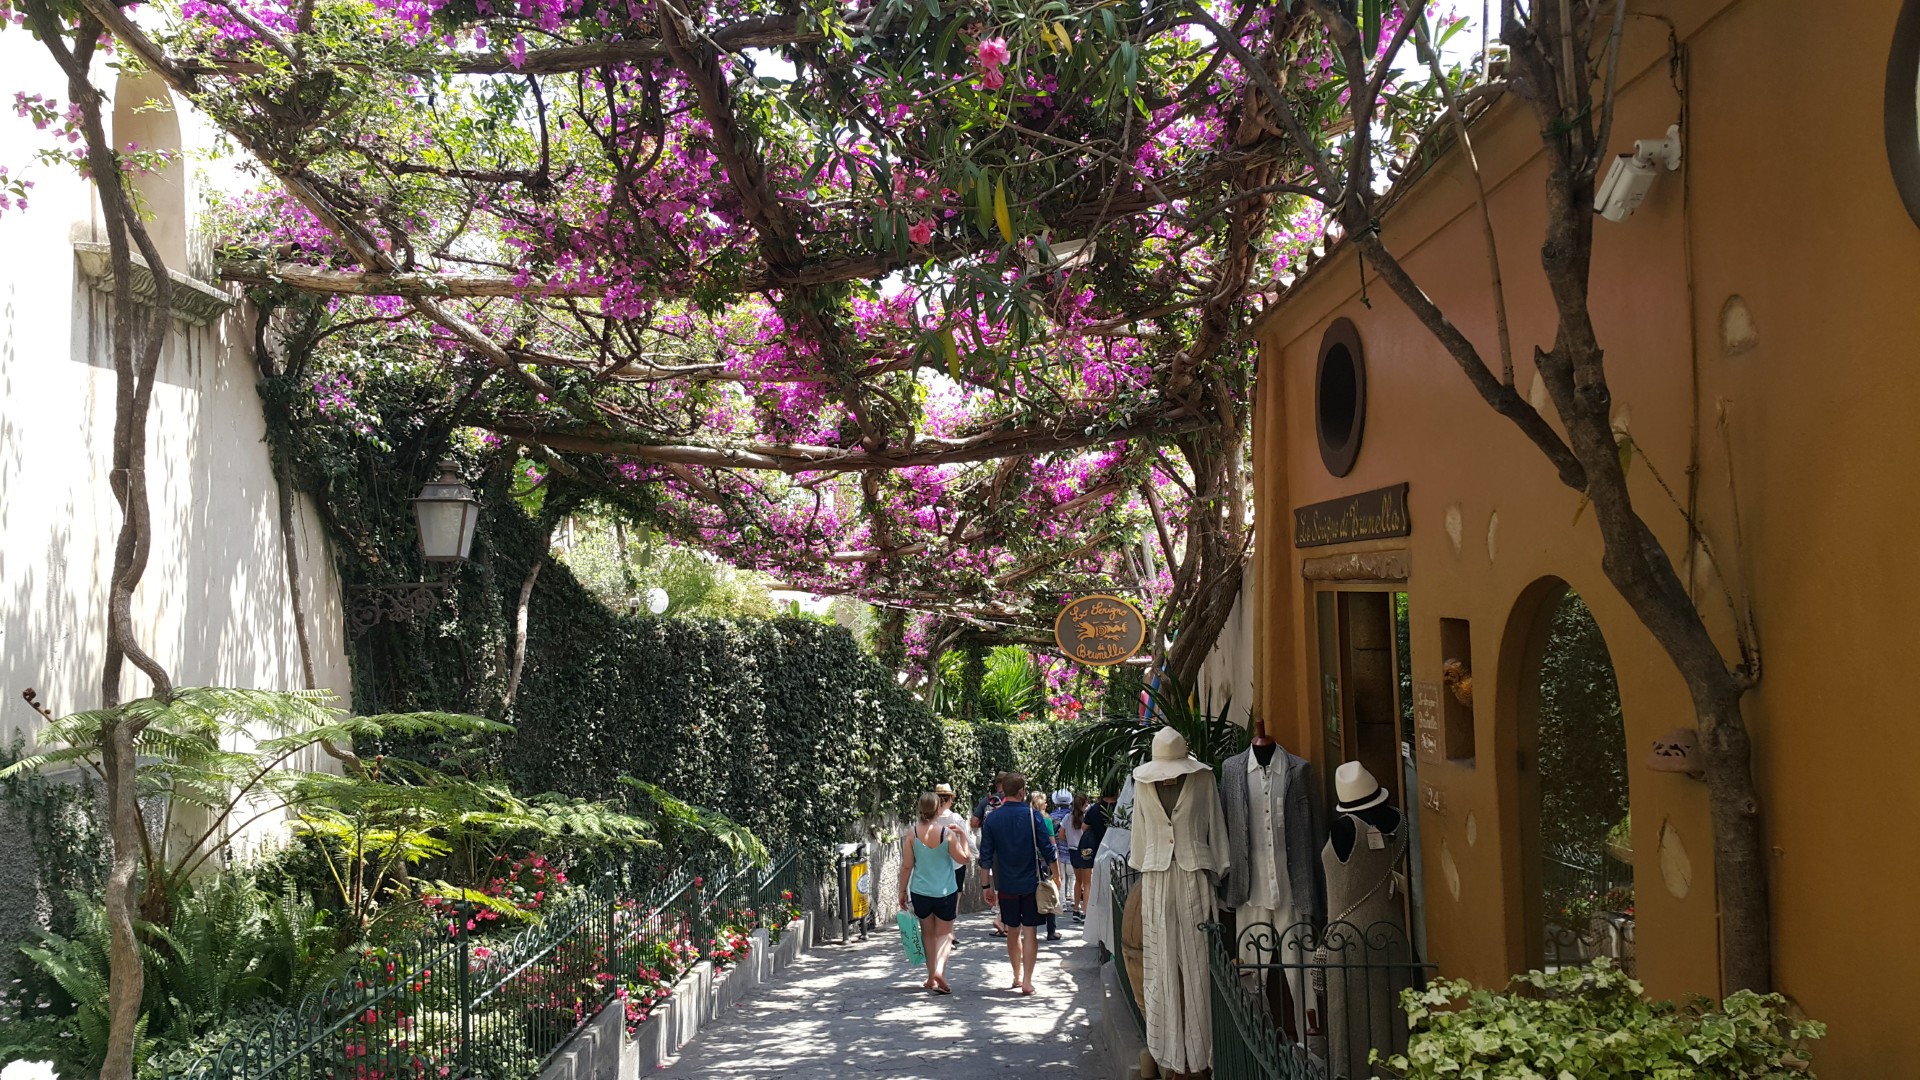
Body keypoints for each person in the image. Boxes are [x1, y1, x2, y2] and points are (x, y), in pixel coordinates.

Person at [978, 772, 1056, 995]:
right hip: (1031, 884)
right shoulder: (1034, 816)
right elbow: (1048, 850)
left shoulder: (992, 818)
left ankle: (1016, 975)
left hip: (1006, 885)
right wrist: (1057, 877)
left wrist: (986, 887)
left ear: (1004, 790)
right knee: (1030, 932)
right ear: (1022, 792)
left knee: (1013, 930)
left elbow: (985, 856)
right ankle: (1028, 981)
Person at [898, 791, 969, 994]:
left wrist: (902, 891)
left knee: (927, 934)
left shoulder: (912, 833)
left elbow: (906, 866)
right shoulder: (946, 833)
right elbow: (964, 858)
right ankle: (939, 971)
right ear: (938, 808)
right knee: (945, 934)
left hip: (920, 891)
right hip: (945, 891)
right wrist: (962, 836)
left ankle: (931, 978)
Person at [971, 773, 1011, 938]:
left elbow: (973, 823)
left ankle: (1003, 918)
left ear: (996, 784)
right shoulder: (1012, 799)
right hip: (1008, 847)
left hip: (990, 847)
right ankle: (1004, 920)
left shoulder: (987, 800)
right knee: (1008, 885)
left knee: (998, 884)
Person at [1032, 791, 1065, 941]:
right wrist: (1056, 869)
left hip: (1030, 861)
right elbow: (1052, 845)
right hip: (1044, 862)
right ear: (1040, 803)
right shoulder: (1046, 821)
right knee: (1049, 891)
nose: (1046, 804)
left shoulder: (1026, 819)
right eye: (1044, 802)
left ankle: (1029, 928)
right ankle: (1051, 930)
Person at [1064, 792, 1093, 920]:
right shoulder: (1087, 817)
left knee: (1078, 880)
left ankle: (1076, 909)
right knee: (1087, 883)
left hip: (1072, 850)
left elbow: (1060, 834)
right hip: (1085, 850)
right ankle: (1086, 912)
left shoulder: (1067, 817)